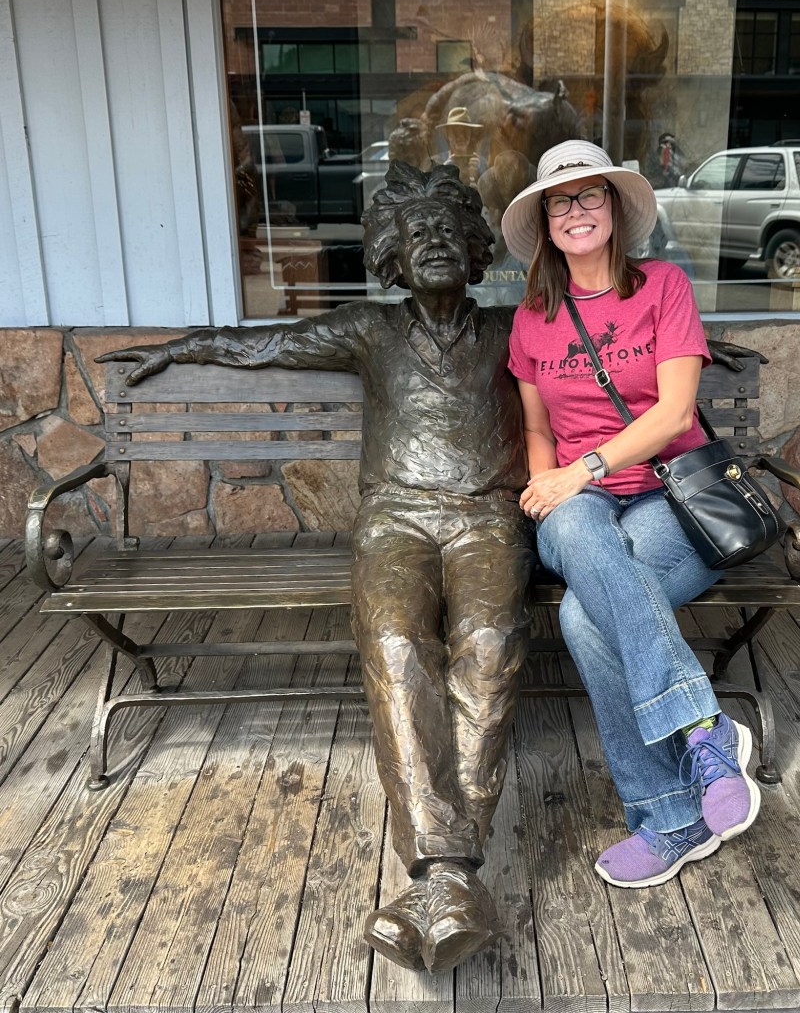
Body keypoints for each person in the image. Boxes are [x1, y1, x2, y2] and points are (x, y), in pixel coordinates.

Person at [96, 161, 535, 973]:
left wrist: (689, 346)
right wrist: (188, 345)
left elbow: (603, 347)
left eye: (448, 230)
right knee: (398, 649)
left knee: (489, 646)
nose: (433, 242)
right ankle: (454, 875)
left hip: (488, 517)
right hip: (395, 520)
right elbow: (268, 345)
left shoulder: (515, 330)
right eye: (415, 233)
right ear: (391, 258)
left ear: (478, 253)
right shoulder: (371, 330)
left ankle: (438, 878)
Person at [499, 140, 762, 888]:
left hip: (668, 496)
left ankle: (669, 814)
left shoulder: (664, 288)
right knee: (577, 527)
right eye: (560, 201)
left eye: (590, 196)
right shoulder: (532, 319)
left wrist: (583, 469)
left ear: (615, 210)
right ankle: (704, 731)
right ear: (546, 222)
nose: (576, 211)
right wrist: (551, 483)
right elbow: (538, 431)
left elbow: (676, 410)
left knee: (585, 617)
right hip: (574, 502)